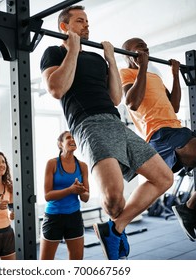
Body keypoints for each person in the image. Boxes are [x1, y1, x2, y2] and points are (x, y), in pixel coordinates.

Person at [40, 6, 174, 260]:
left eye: (88, 21)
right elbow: (57, 89)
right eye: (80, 21)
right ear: (64, 27)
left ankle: (115, 227)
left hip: (115, 122)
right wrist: (72, 50)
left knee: (164, 177)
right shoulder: (54, 52)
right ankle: (115, 224)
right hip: (88, 123)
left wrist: (111, 60)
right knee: (114, 198)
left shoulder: (97, 59)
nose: (87, 25)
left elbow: (115, 98)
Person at [119, 37, 196, 250]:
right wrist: (142, 67)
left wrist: (175, 75)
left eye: (146, 47)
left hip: (177, 128)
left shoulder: (154, 77)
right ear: (127, 54)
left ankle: (189, 208)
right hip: (160, 134)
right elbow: (132, 102)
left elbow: (174, 105)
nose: (145, 50)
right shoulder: (126, 74)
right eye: (139, 48)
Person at [39, 131, 90, 260]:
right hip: (54, 217)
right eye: (68, 138)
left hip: (74, 216)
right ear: (60, 144)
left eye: (74, 137)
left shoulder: (82, 166)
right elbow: (47, 195)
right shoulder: (52, 164)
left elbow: (86, 197)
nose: (72, 140)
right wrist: (70, 190)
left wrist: (81, 191)